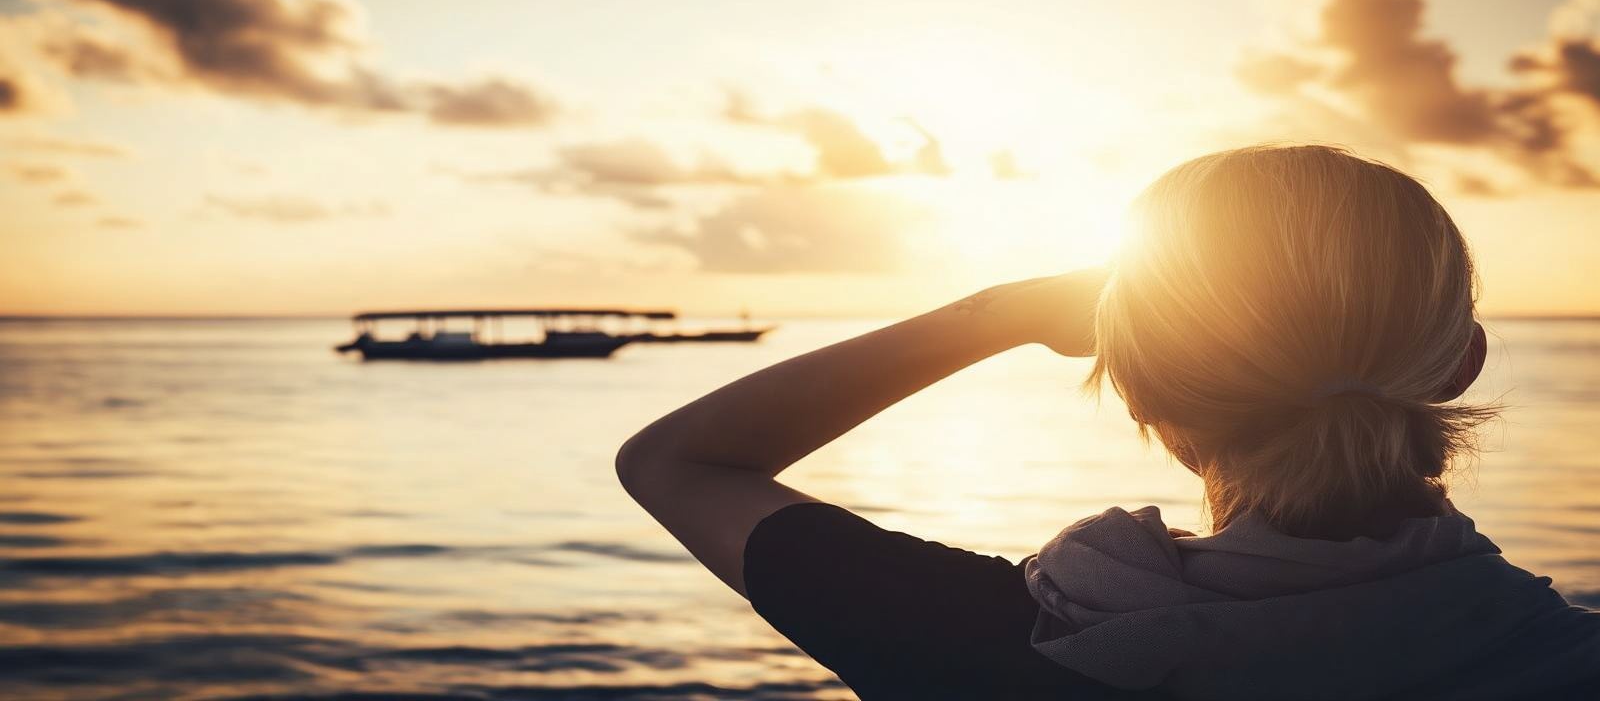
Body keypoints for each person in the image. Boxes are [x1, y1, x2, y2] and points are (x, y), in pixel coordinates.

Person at [616, 144, 1600, 700]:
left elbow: (675, 461)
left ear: (1137, 388)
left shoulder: (990, 639)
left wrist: (1000, 313)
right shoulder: (1566, 656)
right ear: (1461, 364)